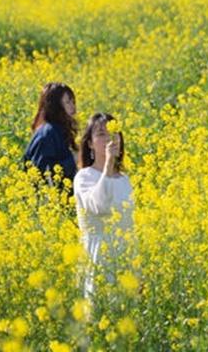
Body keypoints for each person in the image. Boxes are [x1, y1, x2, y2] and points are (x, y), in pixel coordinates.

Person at [73, 113, 134, 297]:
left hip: (124, 259)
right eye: (101, 134)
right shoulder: (84, 177)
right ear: (90, 143)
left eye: (112, 133)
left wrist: (137, 271)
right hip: (98, 258)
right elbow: (99, 206)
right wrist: (108, 164)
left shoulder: (125, 180)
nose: (108, 139)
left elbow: (130, 227)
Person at [23, 82, 78, 190]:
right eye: (68, 102)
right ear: (56, 106)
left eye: (73, 101)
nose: (73, 106)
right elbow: (42, 173)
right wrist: (74, 159)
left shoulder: (59, 130)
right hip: (49, 199)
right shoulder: (47, 134)